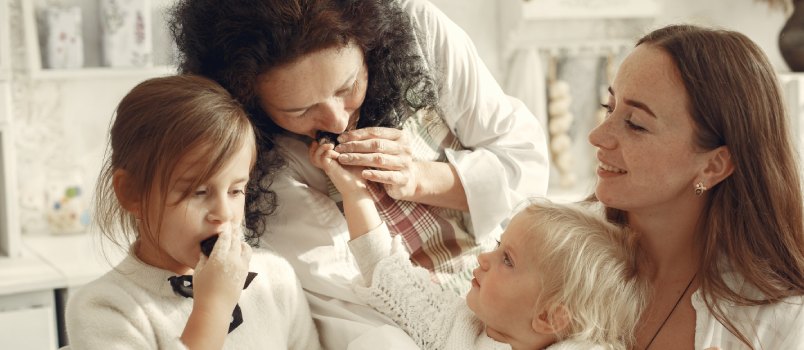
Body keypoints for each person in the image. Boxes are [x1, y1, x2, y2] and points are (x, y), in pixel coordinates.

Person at [169, 0, 549, 346]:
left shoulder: (416, 30)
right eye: (300, 111)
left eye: (348, 86)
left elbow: (526, 165)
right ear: (250, 102)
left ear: (370, 42)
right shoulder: (257, 160)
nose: (335, 118)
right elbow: (357, 295)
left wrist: (419, 179)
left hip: (514, 306)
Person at [309, 137, 646, 350]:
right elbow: (386, 271)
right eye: (498, 246)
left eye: (508, 260)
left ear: (549, 316)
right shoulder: (459, 326)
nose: (485, 256)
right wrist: (354, 193)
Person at [588, 24, 804, 349]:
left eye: (635, 124)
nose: (598, 137)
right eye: (610, 108)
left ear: (713, 165)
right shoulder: (548, 256)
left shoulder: (782, 322)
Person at [65, 75, 321, 350]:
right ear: (132, 192)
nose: (223, 213)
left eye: (235, 191)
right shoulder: (104, 309)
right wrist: (213, 308)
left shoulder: (276, 280)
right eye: (199, 192)